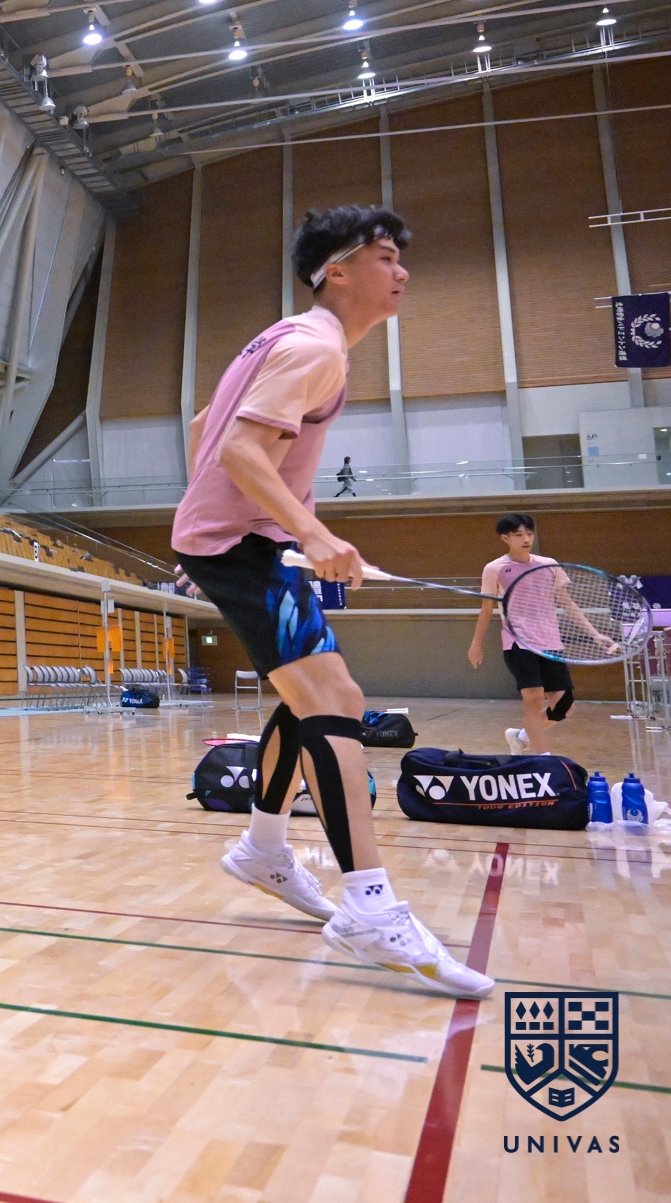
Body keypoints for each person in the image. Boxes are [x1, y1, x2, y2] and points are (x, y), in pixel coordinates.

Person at [172, 203, 490, 998]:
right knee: (337, 701)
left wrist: (212, 521)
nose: (402, 271)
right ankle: (370, 910)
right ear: (336, 272)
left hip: (242, 541)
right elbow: (238, 446)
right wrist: (309, 535)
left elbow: (204, 425)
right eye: (385, 257)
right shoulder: (315, 348)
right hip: (246, 547)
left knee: (309, 697)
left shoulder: (283, 339)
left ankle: (263, 850)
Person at [470, 514, 577, 757]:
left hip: (550, 642)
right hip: (518, 642)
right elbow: (486, 609)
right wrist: (476, 644)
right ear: (505, 538)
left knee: (565, 708)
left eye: (529, 533)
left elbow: (567, 602)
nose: (526, 539)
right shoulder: (495, 568)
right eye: (519, 535)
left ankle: (521, 737)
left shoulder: (548, 564)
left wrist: (596, 634)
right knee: (534, 698)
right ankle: (542, 758)